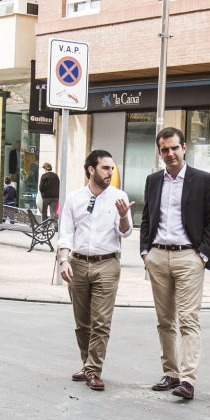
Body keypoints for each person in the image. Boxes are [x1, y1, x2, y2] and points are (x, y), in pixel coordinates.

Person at [139, 127, 210, 401]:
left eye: (174, 148)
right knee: (164, 320)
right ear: (160, 152)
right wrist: (145, 252)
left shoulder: (203, 180)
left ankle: (187, 380)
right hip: (158, 256)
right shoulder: (153, 181)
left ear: (184, 148)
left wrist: (203, 255)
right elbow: (148, 218)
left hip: (189, 256)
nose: (170, 153)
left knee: (188, 319)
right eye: (165, 149)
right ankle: (170, 373)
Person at [56, 150, 133, 392]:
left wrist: (123, 216)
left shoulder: (119, 197)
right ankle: (87, 363)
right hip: (78, 263)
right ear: (91, 169)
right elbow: (66, 232)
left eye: (112, 168)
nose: (110, 172)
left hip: (107, 263)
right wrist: (63, 260)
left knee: (101, 321)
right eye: (105, 168)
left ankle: (93, 370)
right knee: (82, 323)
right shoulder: (74, 198)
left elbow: (125, 232)